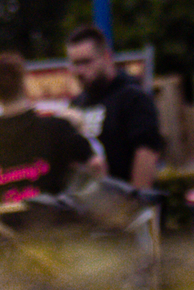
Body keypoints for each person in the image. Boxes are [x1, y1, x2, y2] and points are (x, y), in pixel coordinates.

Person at [0, 52, 103, 203]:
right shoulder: (57, 129)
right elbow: (96, 166)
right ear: (24, 82)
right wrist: (81, 129)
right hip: (57, 223)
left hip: (6, 224)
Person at [65, 25, 164, 189]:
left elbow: (147, 152)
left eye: (86, 62)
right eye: (75, 63)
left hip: (123, 202)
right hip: (87, 204)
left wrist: (135, 202)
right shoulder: (76, 105)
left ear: (106, 57)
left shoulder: (133, 98)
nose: (80, 71)